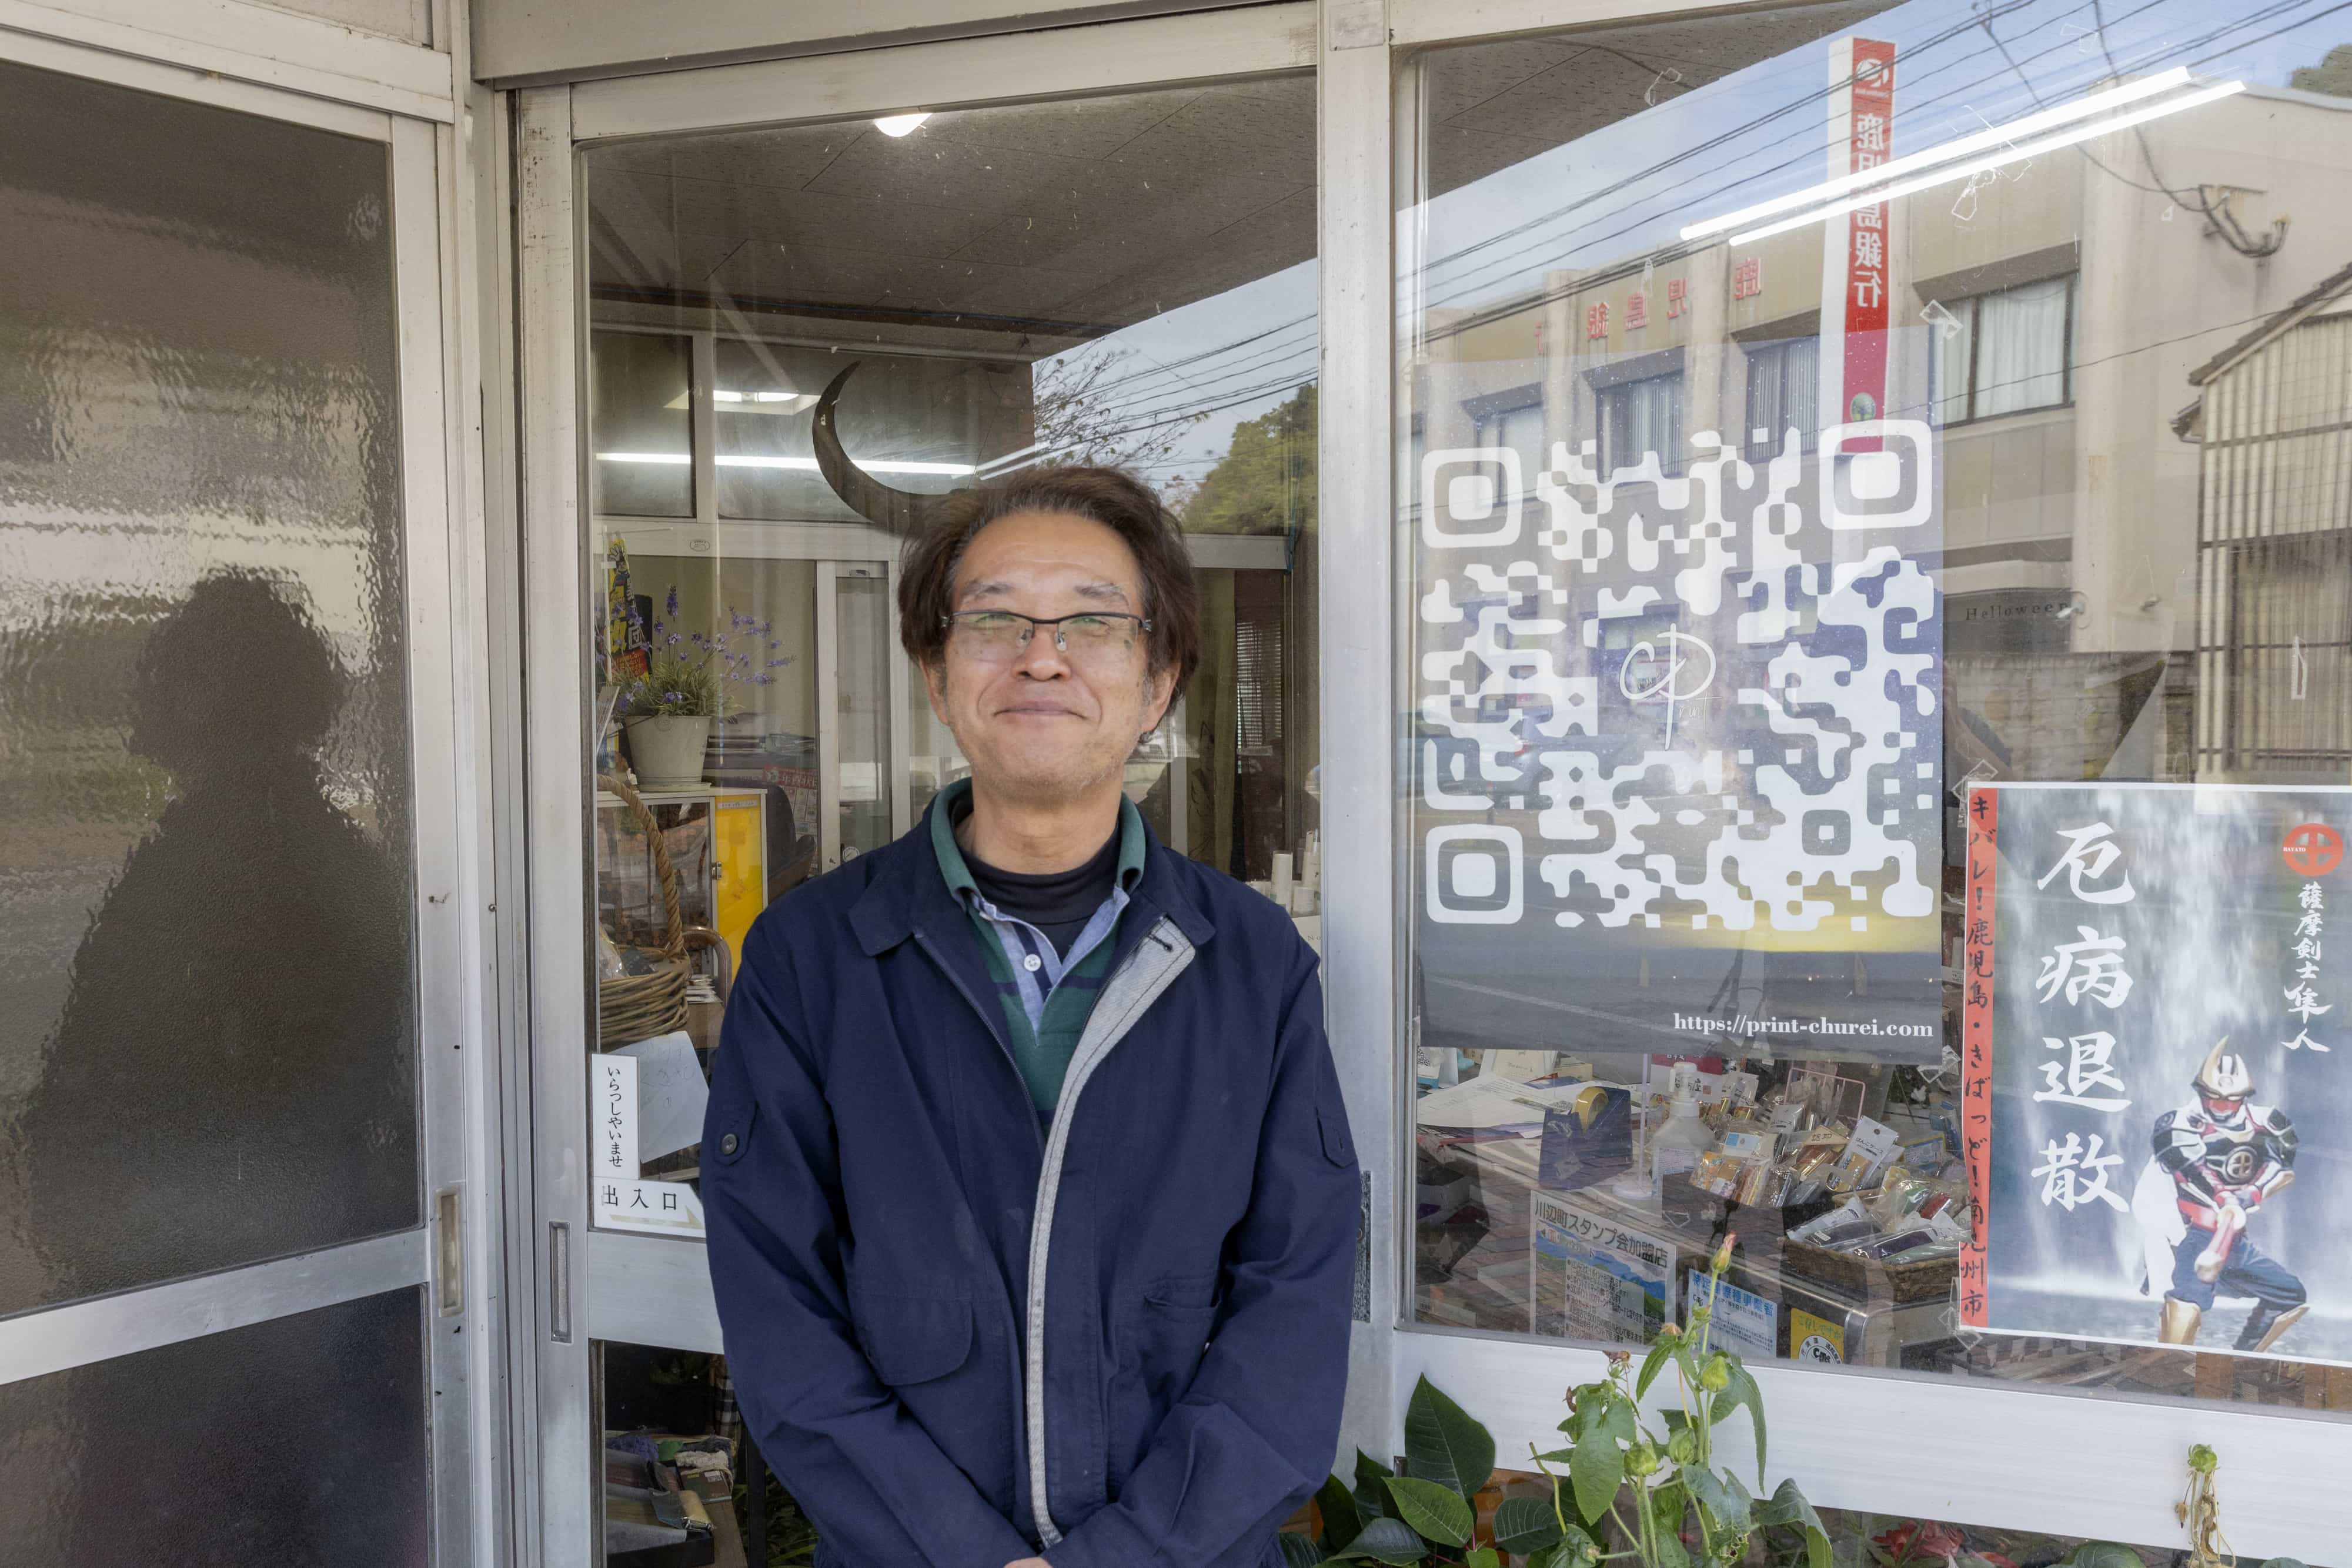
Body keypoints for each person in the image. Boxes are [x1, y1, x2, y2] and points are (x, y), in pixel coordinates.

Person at [702, 466, 1360, 1568]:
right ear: (935, 672)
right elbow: (782, 1313)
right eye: (995, 619)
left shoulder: (1252, 964)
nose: (1041, 657)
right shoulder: (812, 959)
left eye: (1093, 623)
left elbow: (1291, 1318)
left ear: (1159, 682)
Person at [2150, 1039, 2306, 1353]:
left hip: (2234, 1240)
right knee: (2188, 1301)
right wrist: (2223, 1197)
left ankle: (2243, 1359)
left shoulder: (2267, 1123)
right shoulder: (2179, 1123)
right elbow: (2188, 1167)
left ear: (2243, 1098)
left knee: (2289, 1294)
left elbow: (2282, 1168)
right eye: (2215, 1099)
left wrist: (2252, 1194)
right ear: (2202, 1094)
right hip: (2194, 1235)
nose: (2222, 1107)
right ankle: (2165, 1365)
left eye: (2230, 1102)